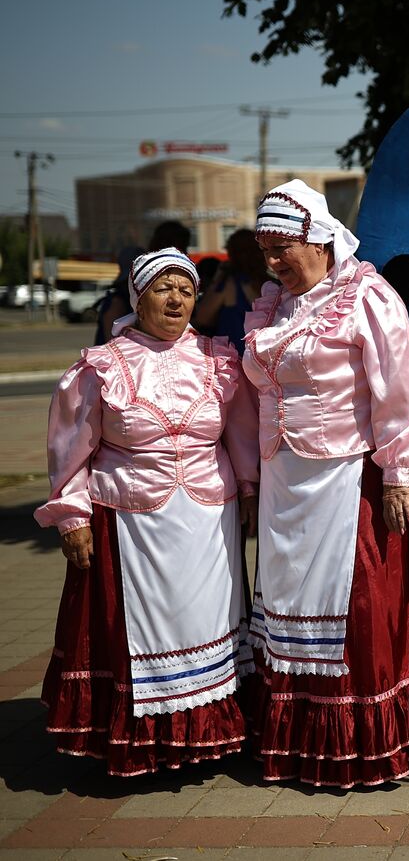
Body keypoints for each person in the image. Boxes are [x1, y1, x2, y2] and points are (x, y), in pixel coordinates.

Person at [242, 179, 409, 787]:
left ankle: (358, 741)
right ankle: (298, 738)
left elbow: (401, 388)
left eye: (284, 247)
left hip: (345, 475)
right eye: (266, 249)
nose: (275, 262)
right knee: (289, 602)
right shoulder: (275, 304)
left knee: (352, 602)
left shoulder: (366, 296)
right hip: (284, 481)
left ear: (320, 240)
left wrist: (400, 474)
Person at [35, 248, 258, 775]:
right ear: (139, 297)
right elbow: (70, 447)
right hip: (132, 525)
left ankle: (206, 736)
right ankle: (147, 743)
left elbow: (241, 437)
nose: (176, 298)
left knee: (209, 625)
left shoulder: (219, 360)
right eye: (163, 288)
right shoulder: (100, 367)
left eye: (186, 289)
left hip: (208, 524)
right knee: (147, 632)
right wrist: (72, 515)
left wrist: (249, 493)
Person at [193, 228, 264, 352]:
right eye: (240, 251)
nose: (245, 256)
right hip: (235, 361)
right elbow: (202, 319)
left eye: (250, 250)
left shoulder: (273, 282)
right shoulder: (230, 283)